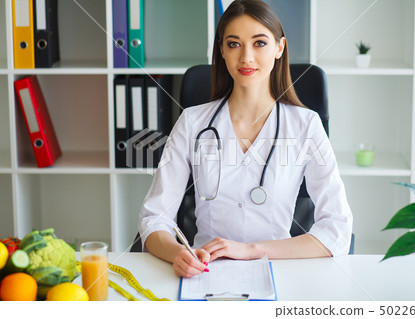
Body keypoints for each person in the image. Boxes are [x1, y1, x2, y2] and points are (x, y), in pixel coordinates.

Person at [138, 0, 352, 278]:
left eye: (260, 43)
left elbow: (337, 230)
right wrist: (178, 252)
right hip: (204, 271)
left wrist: (251, 249)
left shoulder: (306, 125)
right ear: (222, 51)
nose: (246, 57)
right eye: (234, 44)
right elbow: (154, 217)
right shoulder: (193, 122)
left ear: (279, 48)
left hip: (279, 271)